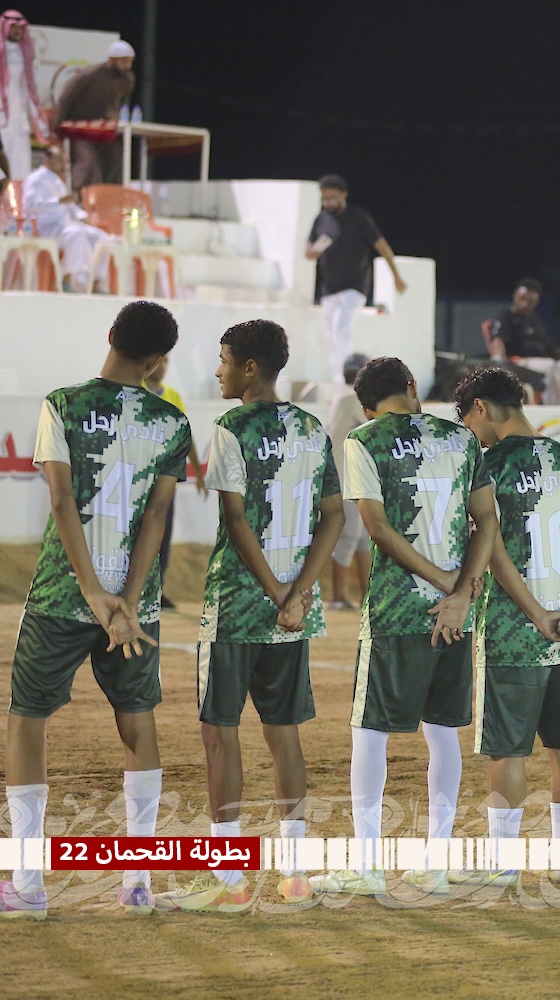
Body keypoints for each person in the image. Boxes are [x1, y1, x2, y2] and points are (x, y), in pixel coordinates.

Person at [1, 300, 189, 920]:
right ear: (158, 360)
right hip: (134, 607)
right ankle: (138, 881)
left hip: (63, 593)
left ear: (110, 335)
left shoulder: (63, 403)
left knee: (28, 721)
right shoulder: (170, 420)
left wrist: (90, 592)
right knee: (138, 723)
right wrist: (126, 601)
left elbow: (62, 502)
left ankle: (28, 883)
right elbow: (157, 515)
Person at [156, 320, 344, 913]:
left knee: (220, 733)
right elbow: (335, 516)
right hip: (293, 609)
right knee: (284, 734)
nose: (219, 371)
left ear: (250, 368)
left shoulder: (231, 426)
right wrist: (297, 593)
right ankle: (296, 874)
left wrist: (273, 592)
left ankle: (229, 876)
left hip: (237, 602)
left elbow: (236, 520)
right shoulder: (312, 428)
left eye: (224, 360)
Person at [309, 357, 496, 898]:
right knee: (443, 732)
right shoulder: (460, 438)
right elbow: (488, 521)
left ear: (367, 408)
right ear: (412, 387)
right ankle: (435, 864)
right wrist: (460, 591)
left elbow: (378, 529)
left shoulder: (364, 439)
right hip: (456, 612)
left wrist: (441, 581)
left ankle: (368, 865)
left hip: (397, 608)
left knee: (369, 732)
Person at [453, 366, 560, 886]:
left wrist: (535, 614)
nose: (472, 433)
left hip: (513, 630)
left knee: (508, 749)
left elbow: (491, 549)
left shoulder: (487, 465)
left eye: (468, 421)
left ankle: (503, 861)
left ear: (480, 407)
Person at [304, 175, 407, 379]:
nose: (328, 203)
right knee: (331, 335)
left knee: (341, 328)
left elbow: (381, 246)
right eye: (324, 199)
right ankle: (337, 378)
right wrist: (315, 249)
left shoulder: (358, 217)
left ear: (344, 194)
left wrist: (396, 275)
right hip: (329, 288)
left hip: (355, 285)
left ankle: (348, 377)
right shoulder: (321, 219)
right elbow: (308, 253)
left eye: (332, 198)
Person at [143, 352, 207, 610]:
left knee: (162, 534)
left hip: (165, 479)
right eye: (160, 359)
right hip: (139, 478)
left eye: (167, 360)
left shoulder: (173, 396)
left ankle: (157, 590)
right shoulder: (135, 391)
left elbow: (185, 435)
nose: (163, 366)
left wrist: (198, 473)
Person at [22, 145, 109, 292]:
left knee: (101, 237)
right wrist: (58, 201)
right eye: (60, 160)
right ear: (47, 160)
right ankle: (67, 279)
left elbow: (69, 206)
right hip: (46, 228)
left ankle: (95, 282)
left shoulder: (58, 180)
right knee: (76, 235)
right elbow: (29, 205)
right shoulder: (35, 179)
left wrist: (84, 217)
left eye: (66, 161)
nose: (64, 165)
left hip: (65, 225)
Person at [481, 277, 560, 405]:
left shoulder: (534, 320)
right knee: (550, 367)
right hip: (520, 362)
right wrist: (501, 360)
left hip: (542, 362)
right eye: (522, 299)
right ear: (515, 295)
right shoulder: (505, 316)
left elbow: (547, 346)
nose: (525, 304)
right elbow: (498, 339)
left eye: (531, 302)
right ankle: (555, 408)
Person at [54, 40, 135, 188]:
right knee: (88, 162)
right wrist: (57, 128)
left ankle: (109, 196)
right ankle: (80, 197)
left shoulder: (128, 79)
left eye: (130, 61)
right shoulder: (90, 75)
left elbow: (120, 103)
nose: (128, 65)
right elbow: (66, 98)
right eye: (124, 61)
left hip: (104, 128)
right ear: (112, 59)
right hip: (79, 127)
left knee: (116, 159)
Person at [328, 352, 371, 610]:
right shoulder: (353, 399)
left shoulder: (341, 397)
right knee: (350, 537)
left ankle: (367, 594)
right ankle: (338, 595)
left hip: (349, 478)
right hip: (347, 480)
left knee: (362, 538)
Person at [1, 10, 43, 182]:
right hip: (1, 117)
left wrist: (38, 121)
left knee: (20, 165)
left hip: (18, 119)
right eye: (14, 28)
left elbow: (30, 90)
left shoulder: (25, 53)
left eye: (21, 28)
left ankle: (18, 197)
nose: (18, 32)